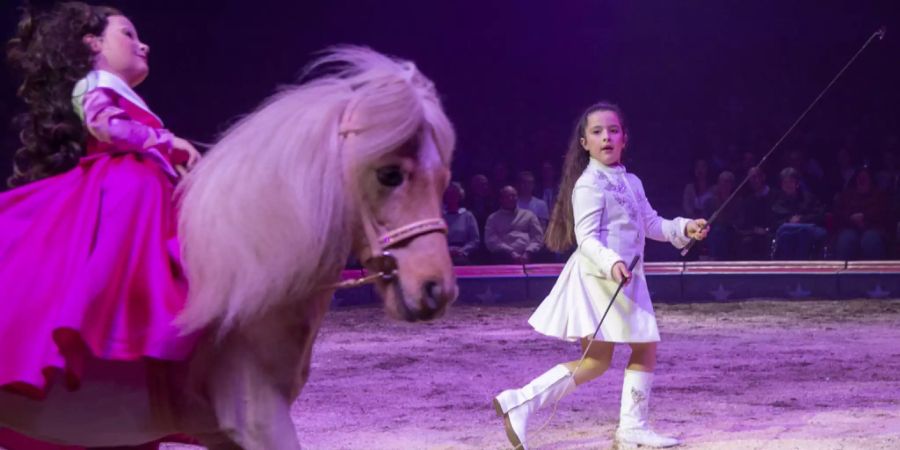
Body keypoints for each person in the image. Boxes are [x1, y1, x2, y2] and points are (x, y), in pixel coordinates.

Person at [0, 2, 201, 399]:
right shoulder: (94, 84)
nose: (143, 46)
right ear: (92, 43)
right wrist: (165, 142)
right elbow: (104, 125)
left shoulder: (120, 90)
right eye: (128, 34)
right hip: (126, 187)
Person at [492, 102, 708, 449]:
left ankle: (522, 401)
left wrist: (685, 227)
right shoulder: (588, 183)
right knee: (641, 347)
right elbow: (586, 238)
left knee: (596, 361)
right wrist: (611, 264)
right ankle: (631, 427)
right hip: (601, 277)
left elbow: (651, 223)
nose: (606, 136)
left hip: (622, 279)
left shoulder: (631, 181)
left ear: (624, 138)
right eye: (597, 132)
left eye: (613, 130)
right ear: (584, 143)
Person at [484, 185, 544, 264]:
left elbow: (537, 236)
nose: (511, 199)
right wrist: (511, 252)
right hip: (504, 255)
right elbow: (491, 240)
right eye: (507, 196)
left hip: (528, 253)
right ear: (501, 199)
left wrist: (528, 252)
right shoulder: (493, 218)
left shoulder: (529, 215)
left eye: (513, 196)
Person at [443, 182, 481, 265]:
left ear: (459, 196)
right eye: (450, 194)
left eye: (454, 194)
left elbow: (475, 240)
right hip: (443, 253)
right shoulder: (439, 216)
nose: (452, 197)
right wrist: (448, 250)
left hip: (462, 253)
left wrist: (462, 250)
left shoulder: (468, 216)